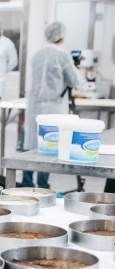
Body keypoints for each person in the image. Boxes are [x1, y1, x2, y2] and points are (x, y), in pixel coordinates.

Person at [22, 22, 82, 188]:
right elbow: (74, 80)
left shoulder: (37, 54)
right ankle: (42, 185)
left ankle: (26, 184)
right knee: (47, 146)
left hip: (34, 106)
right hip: (53, 108)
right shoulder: (62, 56)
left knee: (31, 146)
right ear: (61, 37)